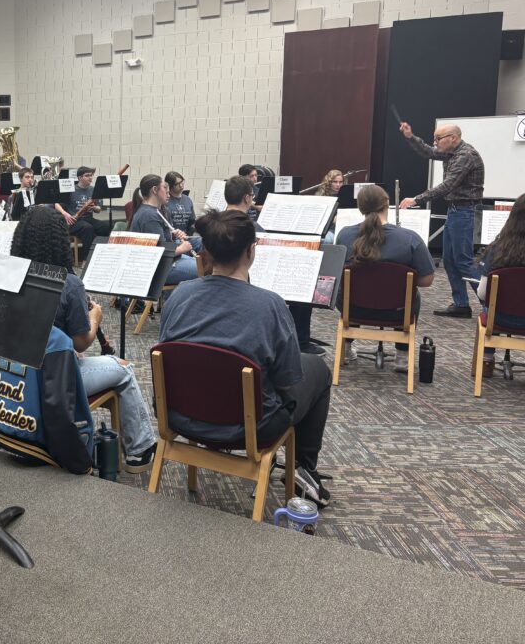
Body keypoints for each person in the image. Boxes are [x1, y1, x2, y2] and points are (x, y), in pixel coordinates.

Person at [160, 209, 334, 507]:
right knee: (318, 368)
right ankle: (304, 468)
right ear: (251, 251)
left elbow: (169, 353)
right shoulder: (271, 305)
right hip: (250, 428)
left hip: (180, 417)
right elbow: (287, 378)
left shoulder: (179, 295)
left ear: (206, 252)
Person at [11, 207, 158, 472]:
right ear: (60, 239)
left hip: (16, 371)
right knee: (124, 369)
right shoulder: (68, 283)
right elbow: (81, 342)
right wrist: (96, 317)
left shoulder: (12, 274)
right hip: (55, 377)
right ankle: (140, 450)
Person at [335, 184, 435, 373]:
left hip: (354, 308)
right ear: (387, 204)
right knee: (412, 295)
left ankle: (346, 348)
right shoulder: (409, 238)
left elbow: (336, 272)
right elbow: (426, 280)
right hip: (396, 312)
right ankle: (403, 355)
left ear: (360, 208)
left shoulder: (345, 235)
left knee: (349, 288)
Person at [224, 175, 322, 354]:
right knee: (302, 285)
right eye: (252, 196)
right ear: (246, 198)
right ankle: (299, 342)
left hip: (223, 278)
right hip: (247, 281)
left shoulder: (214, 223)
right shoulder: (251, 228)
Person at [399, 121, 485, 317]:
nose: (435, 142)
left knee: (463, 261)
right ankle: (461, 305)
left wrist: (417, 199)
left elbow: (447, 185)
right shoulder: (452, 152)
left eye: (438, 138)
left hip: (465, 211)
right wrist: (410, 137)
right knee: (449, 260)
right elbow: (428, 152)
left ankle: (493, 305)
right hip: (456, 211)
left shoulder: (465, 155)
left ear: (453, 138)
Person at [476, 194, 525, 377]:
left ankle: (487, 359)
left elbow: (482, 293)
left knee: (489, 304)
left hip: (499, 319)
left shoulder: (497, 249)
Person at [129, 174, 197, 284]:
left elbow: (161, 242)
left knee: (200, 261)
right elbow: (159, 252)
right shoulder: (149, 215)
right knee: (203, 268)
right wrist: (181, 249)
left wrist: (172, 234)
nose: (168, 192)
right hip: (158, 268)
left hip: (165, 261)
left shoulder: (155, 210)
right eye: (165, 188)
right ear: (155, 190)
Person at [55, 166, 111, 263]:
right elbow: (56, 203)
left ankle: (102, 256)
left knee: (106, 227)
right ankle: (86, 260)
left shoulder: (94, 190)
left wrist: (94, 207)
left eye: (91, 175)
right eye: (87, 175)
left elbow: (98, 210)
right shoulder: (70, 189)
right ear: (79, 177)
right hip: (73, 221)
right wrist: (65, 213)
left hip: (88, 218)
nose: (90, 177)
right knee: (88, 228)